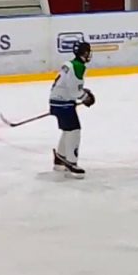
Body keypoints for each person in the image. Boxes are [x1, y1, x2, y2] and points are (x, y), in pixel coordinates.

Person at [49, 41, 95, 178]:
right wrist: (86, 97)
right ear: (85, 53)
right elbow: (75, 91)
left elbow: (70, 86)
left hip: (57, 101)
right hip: (63, 103)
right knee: (74, 130)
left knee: (68, 130)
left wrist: (81, 93)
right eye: (88, 51)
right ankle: (71, 162)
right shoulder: (78, 66)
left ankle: (60, 159)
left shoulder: (69, 64)